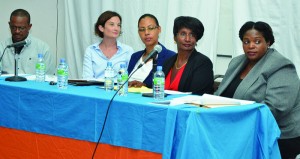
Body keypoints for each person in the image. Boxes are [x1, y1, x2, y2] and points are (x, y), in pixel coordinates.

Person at [214, 21, 300, 158]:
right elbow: (220, 95)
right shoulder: (236, 62)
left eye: (257, 41)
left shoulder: (281, 66)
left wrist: (236, 119)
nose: (251, 46)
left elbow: (275, 108)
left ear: (268, 42)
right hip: (239, 128)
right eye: (246, 41)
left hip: (277, 136)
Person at [162, 16, 214, 95]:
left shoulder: (203, 63)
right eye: (183, 34)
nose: (187, 39)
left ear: (196, 39)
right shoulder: (168, 62)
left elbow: (196, 95)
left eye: (192, 35)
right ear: (175, 37)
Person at [0, 9, 54, 75]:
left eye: (21, 28)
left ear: (29, 27)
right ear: (9, 25)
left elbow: (49, 78)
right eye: (13, 27)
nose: (17, 31)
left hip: (32, 85)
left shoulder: (43, 49)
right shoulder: (2, 47)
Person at [127, 14, 175, 88]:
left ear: (159, 29)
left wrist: (144, 86)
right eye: (142, 29)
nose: (146, 33)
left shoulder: (170, 57)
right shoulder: (135, 56)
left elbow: (169, 87)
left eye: (151, 28)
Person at [82, 11, 134, 80]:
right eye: (112, 24)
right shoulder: (91, 50)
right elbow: (87, 78)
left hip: (119, 89)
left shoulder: (128, 50)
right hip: (95, 89)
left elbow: (131, 78)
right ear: (101, 28)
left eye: (118, 25)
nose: (116, 28)